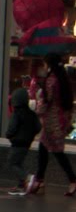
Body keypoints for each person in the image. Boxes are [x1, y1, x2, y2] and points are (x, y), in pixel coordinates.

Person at [25, 53, 76, 196]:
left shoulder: (51, 80)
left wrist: (36, 107)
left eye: (45, 63)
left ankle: (72, 179)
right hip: (61, 120)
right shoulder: (63, 79)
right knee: (45, 148)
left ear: (49, 64)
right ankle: (40, 179)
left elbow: (47, 100)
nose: (44, 67)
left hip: (51, 121)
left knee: (56, 152)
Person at [4, 82, 40, 196]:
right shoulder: (31, 114)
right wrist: (31, 135)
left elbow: (12, 127)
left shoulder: (17, 113)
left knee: (12, 163)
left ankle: (27, 179)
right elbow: (38, 127)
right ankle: (21, 185)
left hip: (17, 143)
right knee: (18, 162)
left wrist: (9, 135)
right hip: (26, 143)